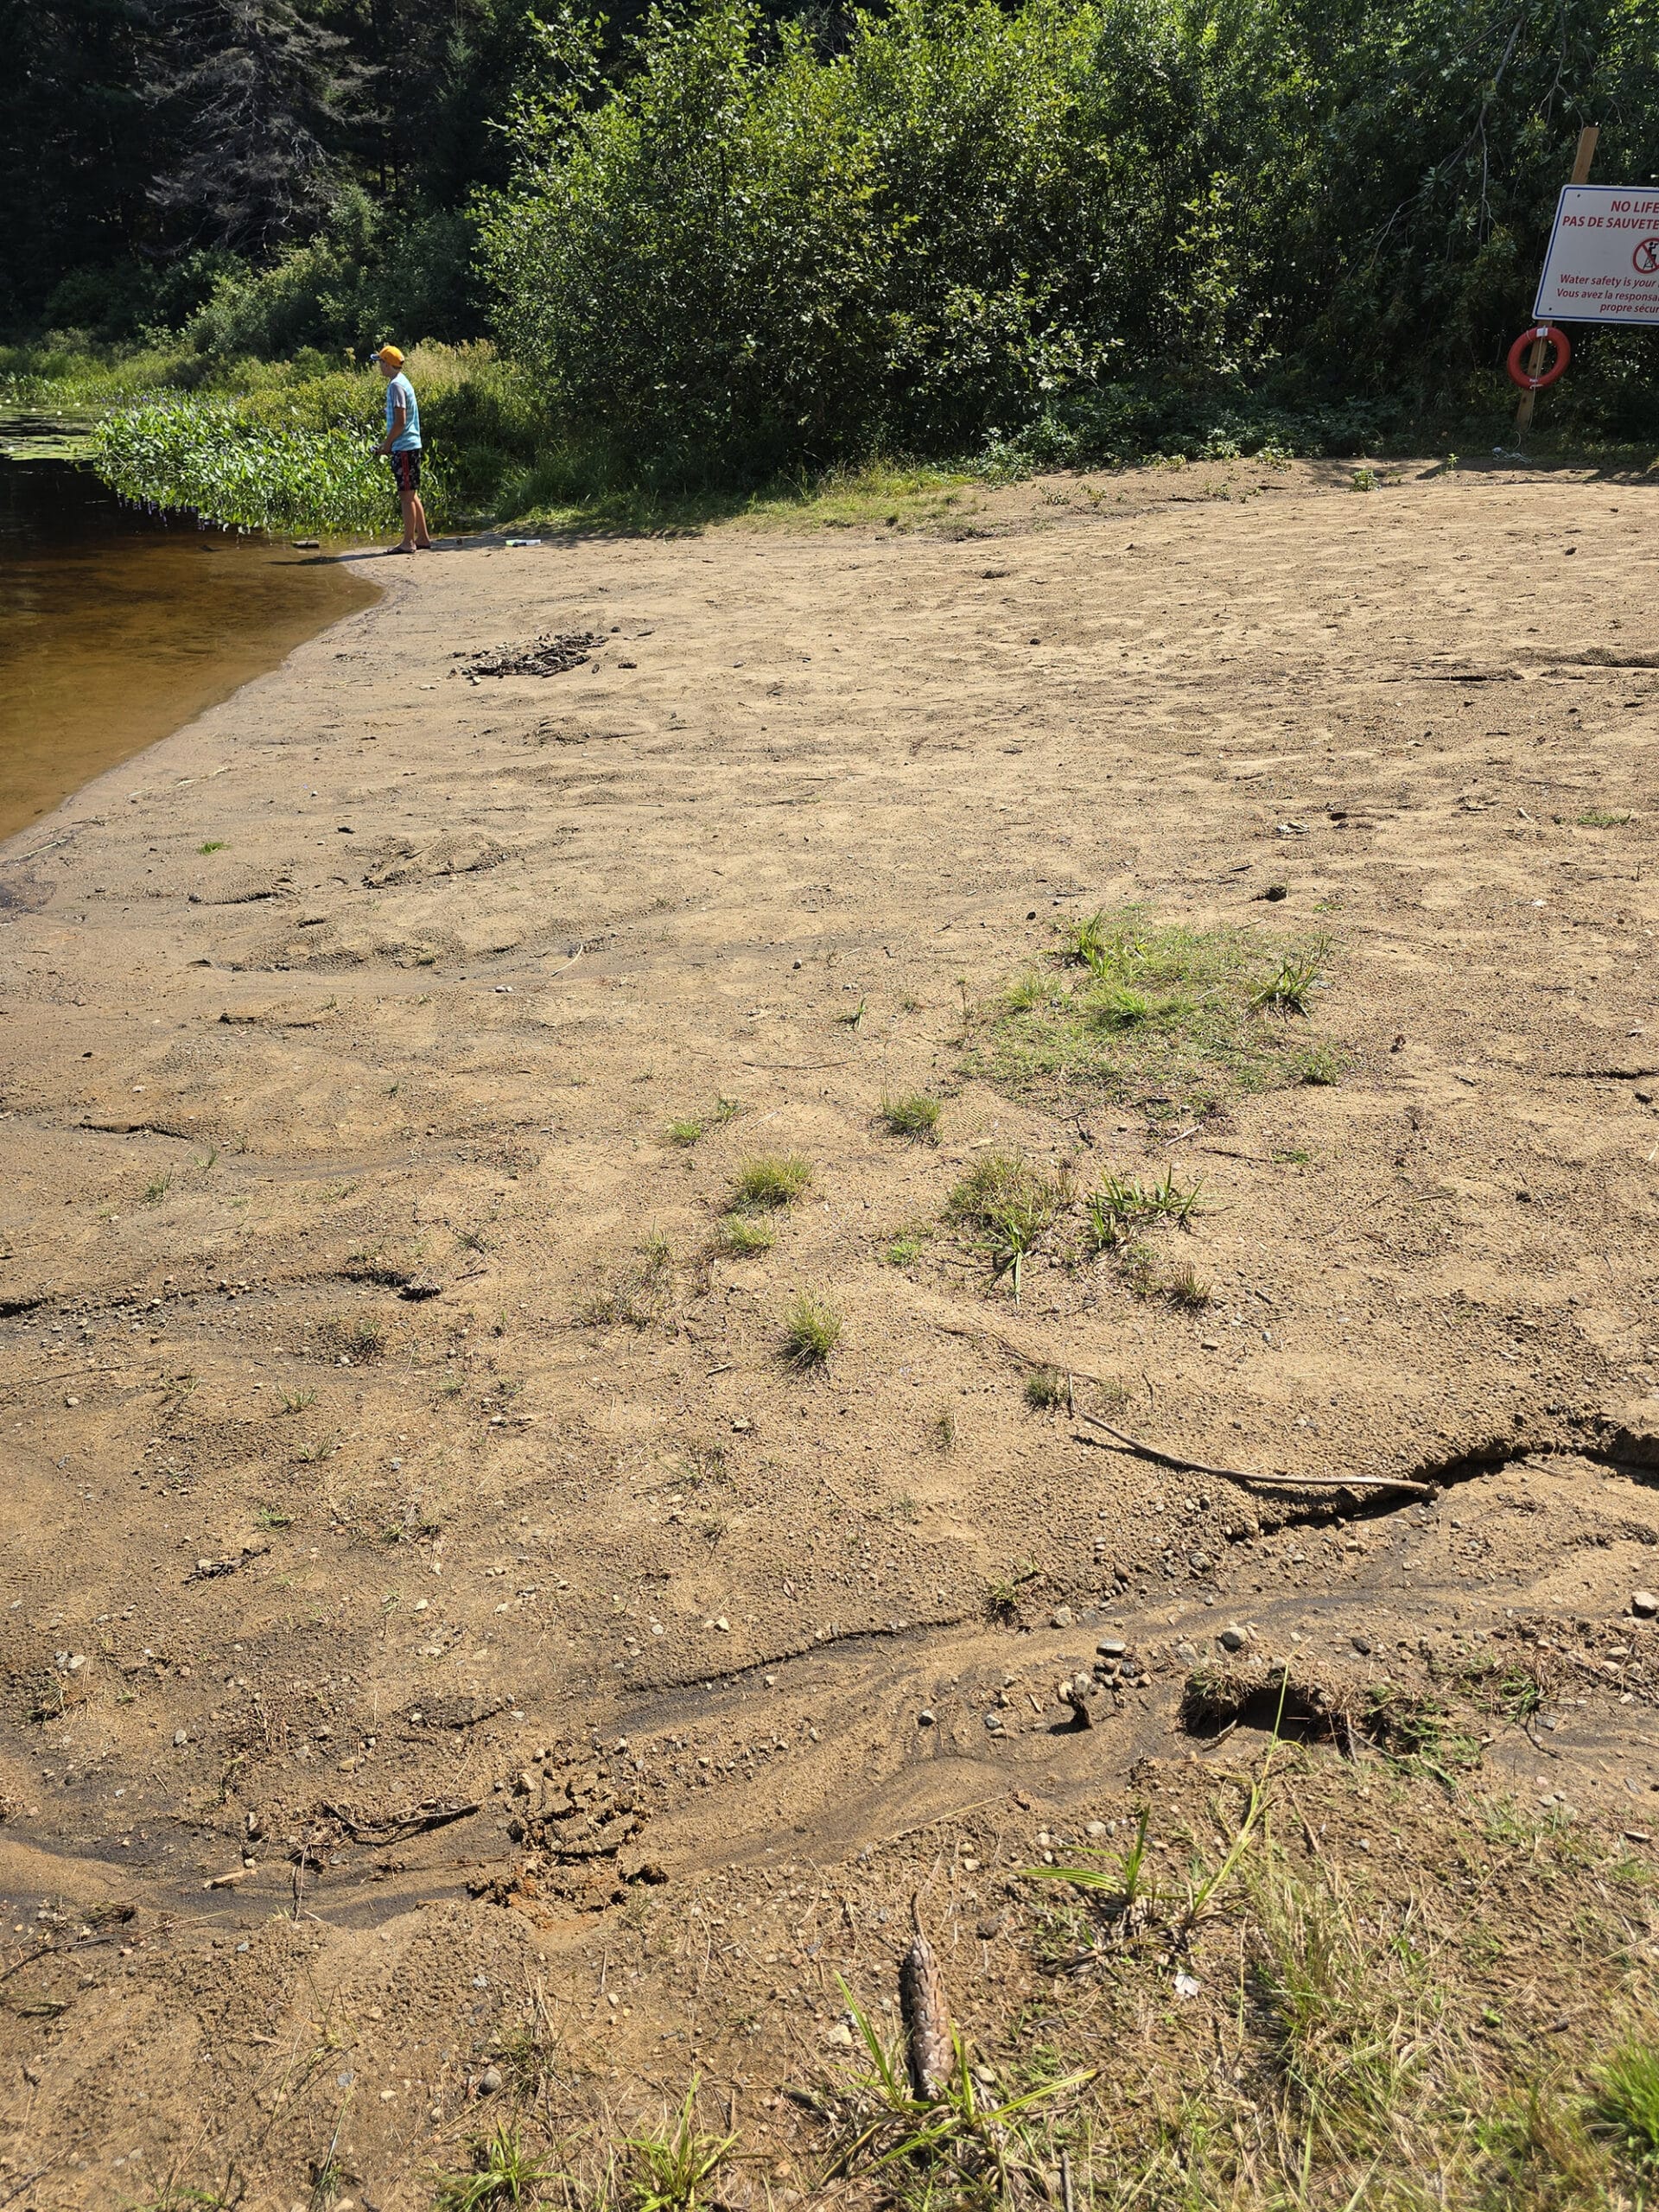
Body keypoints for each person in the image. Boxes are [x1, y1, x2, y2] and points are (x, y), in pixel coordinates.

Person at [372, 344, 432, 552]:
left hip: (405, 448)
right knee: (412, 494)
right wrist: (388, 444)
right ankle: (423, 538)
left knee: (406, 496)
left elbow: (400, 421)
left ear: (388, 365)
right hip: (409, 446)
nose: (378, 366)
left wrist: (387, 444)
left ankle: (408, 542)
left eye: (380, 362)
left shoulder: (396, 385)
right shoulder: (402, 382)